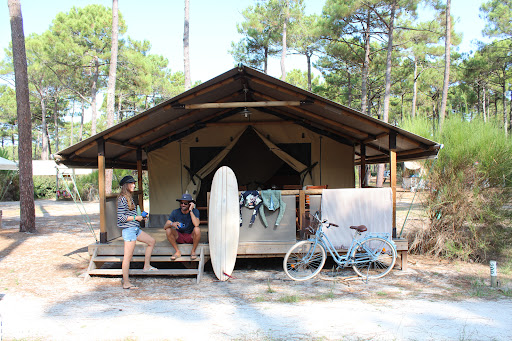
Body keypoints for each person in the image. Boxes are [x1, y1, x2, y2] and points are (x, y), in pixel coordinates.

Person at [117, 175, 157, 289]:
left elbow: (130, 215)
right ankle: (126, 282)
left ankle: (147, 266)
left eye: (134, 183)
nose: (134, 185)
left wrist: (140, 216)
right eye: (132, 183)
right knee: (127, 257)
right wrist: (136, 218)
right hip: (129, 231)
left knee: (151, 241)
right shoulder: (122, 199)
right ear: (126, 185)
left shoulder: (129, 197)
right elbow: (121, 218)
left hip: (135, 229)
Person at [163, 193, 201, 260]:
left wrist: (191, 211)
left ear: (190, 204)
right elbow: (165, 226)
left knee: (197, 229)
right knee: (168, 230)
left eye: (185, 203)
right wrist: (172, 224)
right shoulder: (175, 212)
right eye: (181, 203)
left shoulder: (195, 211)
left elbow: (196, 224)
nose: (183, 205)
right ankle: (177, 251)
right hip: (179, 236)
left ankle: (193, 251)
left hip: (190, 236)